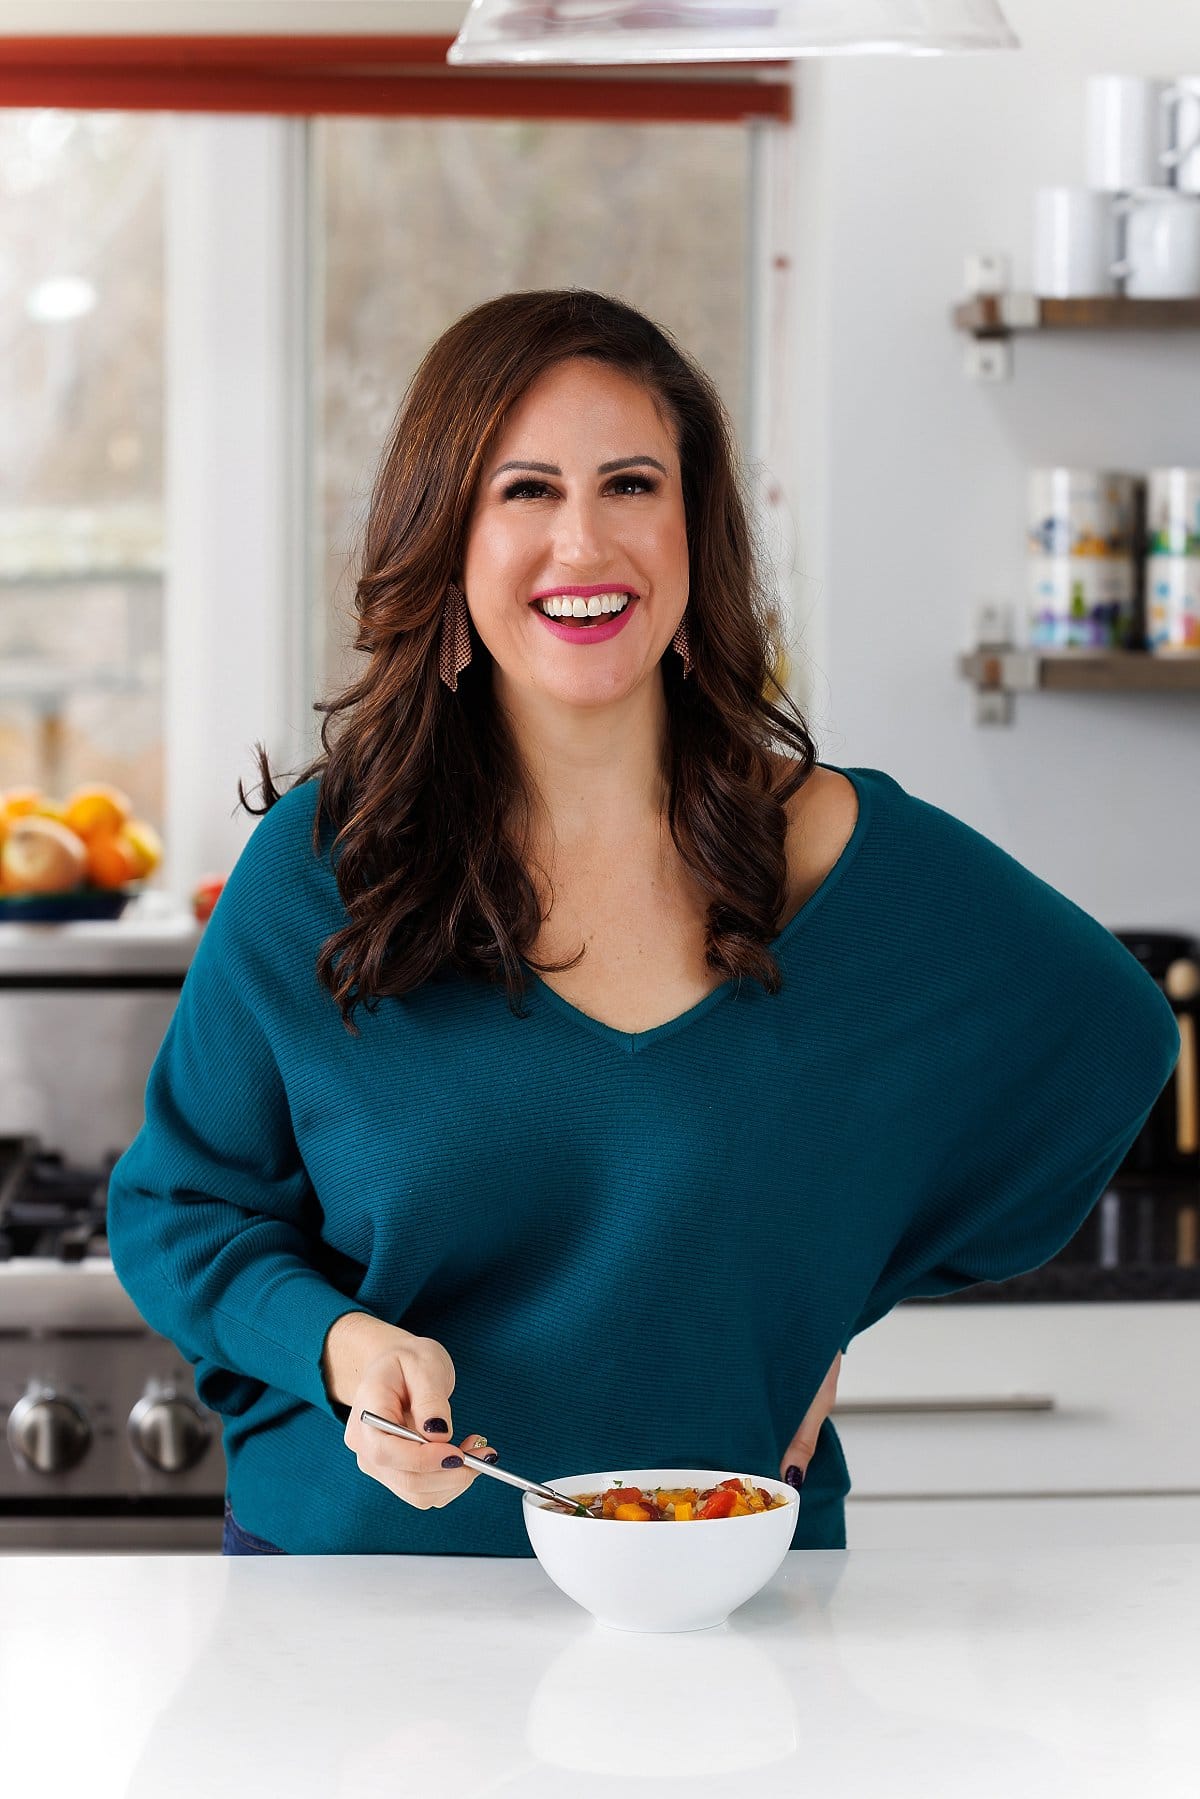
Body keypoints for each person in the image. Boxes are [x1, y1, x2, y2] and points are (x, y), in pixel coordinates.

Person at [106, 289, 1180, 1557]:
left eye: (630, 484)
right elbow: (180, 1209)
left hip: (732, 1598)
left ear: (693, 526)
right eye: (525, 491)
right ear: (446, 533)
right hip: (364, 1598)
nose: (584, 542)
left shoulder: (840, 853)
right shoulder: (327, 862)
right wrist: (338, 1345)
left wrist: (832, 1301)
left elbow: (1112, 1036)